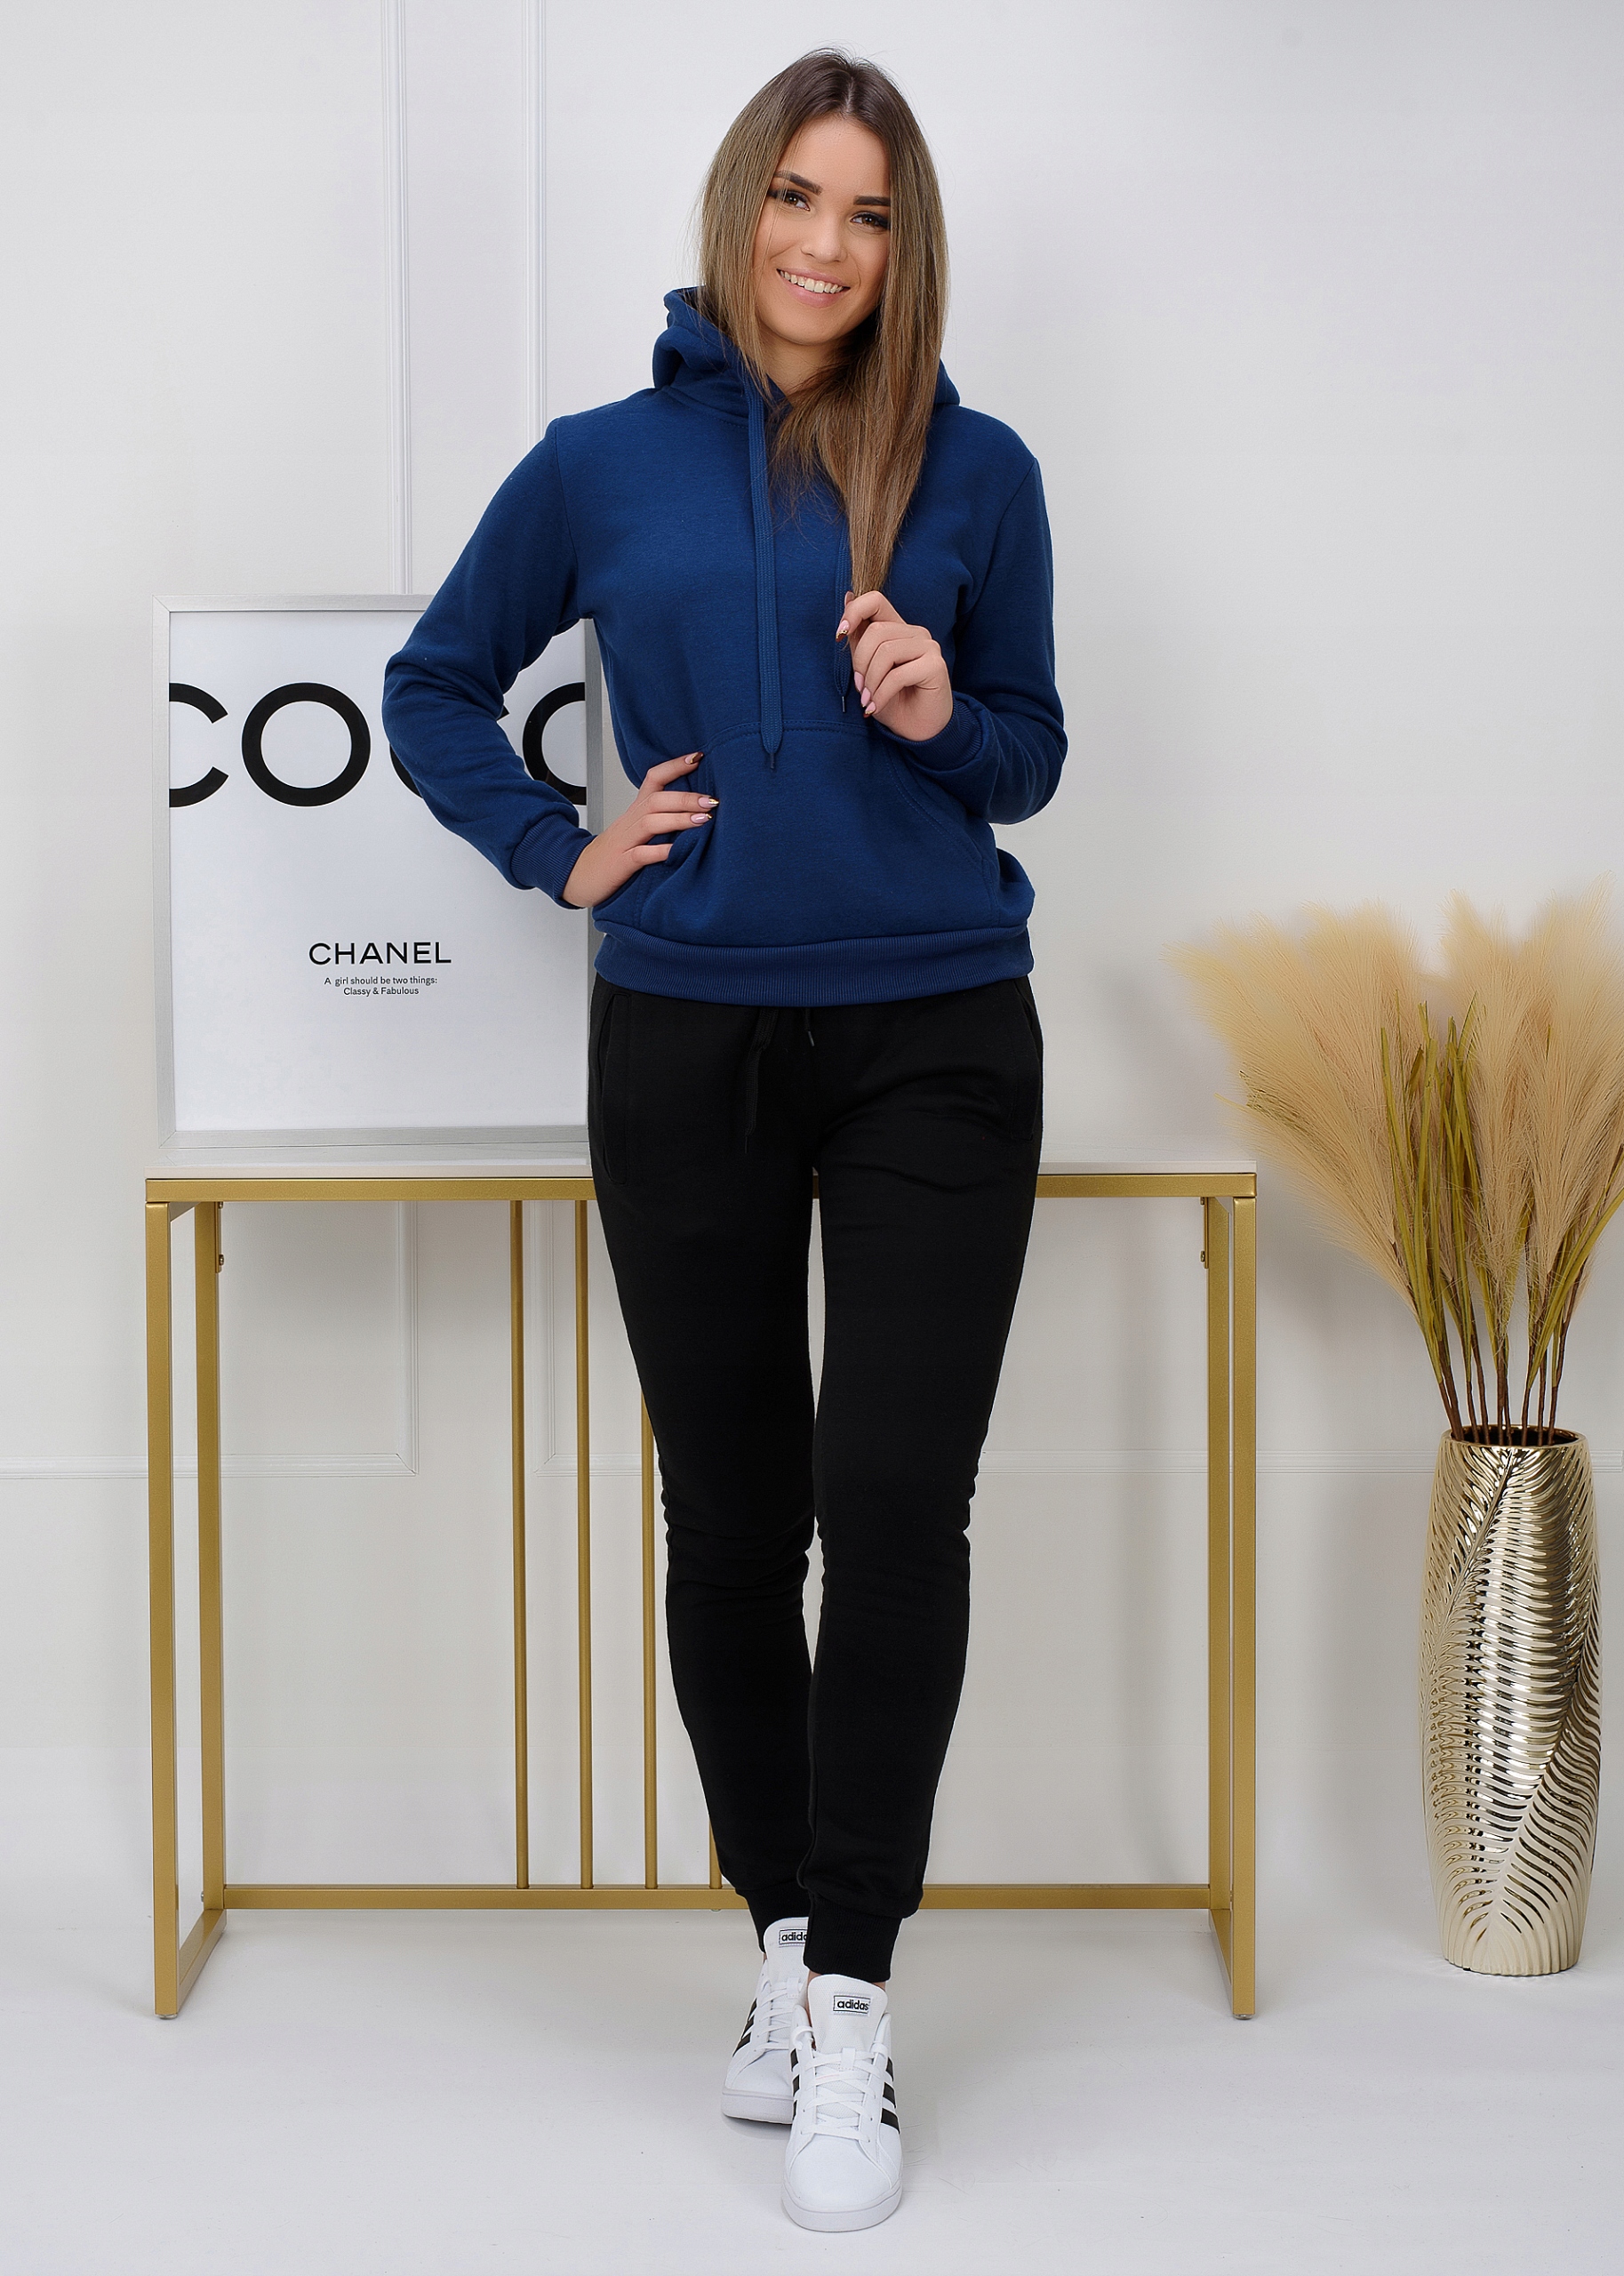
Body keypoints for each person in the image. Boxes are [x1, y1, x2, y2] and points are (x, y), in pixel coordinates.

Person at [383, 47, 1064, 2233]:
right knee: (736, 1515)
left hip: (937, 1029)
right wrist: (556, 844)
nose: (821, 245)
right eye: (794, 196)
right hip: (686, 1035)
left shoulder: (975, 464)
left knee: (896, 1503)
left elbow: (1029, 750)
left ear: (902, 244)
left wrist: (937, 712)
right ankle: (778, 1937)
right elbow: (431, 684)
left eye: (865, 212)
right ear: (737, 204)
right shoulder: (599, 463)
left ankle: (854, 1988)